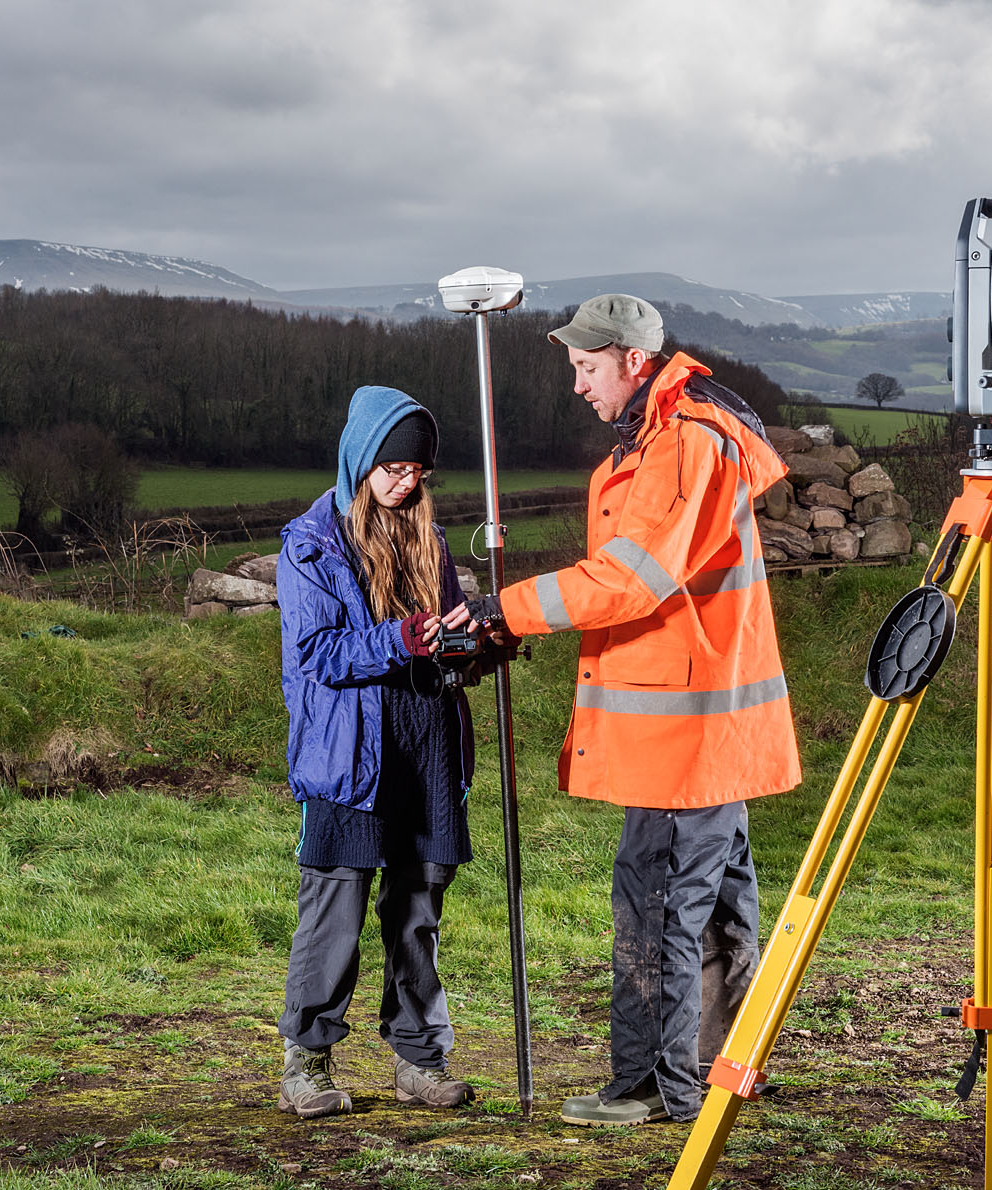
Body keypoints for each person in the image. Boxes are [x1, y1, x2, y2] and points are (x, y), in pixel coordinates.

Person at [436, 294, 801, 1126]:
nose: (576, 385)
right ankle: (718, 1067)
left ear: (634, 363)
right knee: (710, 901)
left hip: (681, 729)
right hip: (701, 724)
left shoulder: (680, 447)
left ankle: (657, 1087)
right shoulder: (677, 436)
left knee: (663, 899)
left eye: (586, 367)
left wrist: (504, 610)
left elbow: (631, 581)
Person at [274, 384, 480, 1119]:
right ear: (359, 460)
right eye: (392, 467)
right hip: (347, 755)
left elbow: (445, 647)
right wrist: (402, 638)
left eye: (417, 470)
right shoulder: (310, 545)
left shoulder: (432, 538)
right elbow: (318, 653)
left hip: (426, 748)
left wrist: (473, 649)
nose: (406, 480)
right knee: (335, 913)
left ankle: (419, 1062)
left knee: (418, 908)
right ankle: (307, 1062)